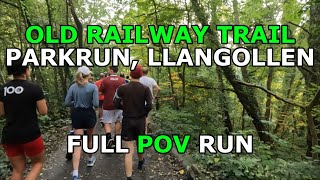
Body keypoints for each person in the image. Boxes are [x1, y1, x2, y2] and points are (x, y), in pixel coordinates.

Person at [0, 58, 48, 180]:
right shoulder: (34, 88)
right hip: (30, 134)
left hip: (9, 135)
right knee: (37, 163)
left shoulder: (2, 89)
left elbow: (1, 113)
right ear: (26, 70)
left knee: (17, 169)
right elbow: (43, 112)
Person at [113, 64, 153, 180]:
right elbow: (150, 105)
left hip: (127, 120)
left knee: (129, 150)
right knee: (140, 143)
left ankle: (129, 177)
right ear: (141, 75)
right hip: (140, 120)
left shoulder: (122, 88)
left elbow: (115, 103)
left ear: (130, 74)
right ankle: (140, 161)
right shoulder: (145, 89)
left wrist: (124, 108)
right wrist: (143, 113)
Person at [64, 66, 99, 180]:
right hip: (89, 113)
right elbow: (96, 104)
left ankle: (75, 173)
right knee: (89, 138)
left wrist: (76, 102)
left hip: (77, 114)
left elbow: (67, 102)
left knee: (77, 143)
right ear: (88, 75)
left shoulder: (73, 87)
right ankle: (90, 159)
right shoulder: (93, 87)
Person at [99, 66, 126, 148]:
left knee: (107, 122)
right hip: (119, 105)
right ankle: (116, 141)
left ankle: (108, 137)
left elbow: (100, 92)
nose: (107, 71)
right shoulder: (122, 80)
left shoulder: (105, 80)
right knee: (118, 121)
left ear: (111, 70)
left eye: (108, 69)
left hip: (107, 104)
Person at [139, 67, 160, 133]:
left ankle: (140, 131)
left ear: (141, 72)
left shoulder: (138, 79)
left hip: (139, 101)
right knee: (147, 116)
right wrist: (155, 96)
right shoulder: (151, 80)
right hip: (149, 100)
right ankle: (146, 132)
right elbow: (158, 89)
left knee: (140, 116)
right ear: (147, 72)